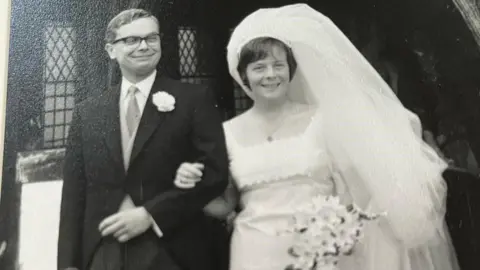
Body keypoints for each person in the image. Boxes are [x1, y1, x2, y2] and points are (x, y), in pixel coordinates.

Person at [173, 4, 460, 270]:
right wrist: (191, 189)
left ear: (290, 70)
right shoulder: (226, 133)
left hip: (320, 253)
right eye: (259, 68)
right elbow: (226, 204)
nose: (270, 75)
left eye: (278, 65)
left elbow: (356, 194)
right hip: (254, 253)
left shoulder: (323, 122)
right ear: (243, 76)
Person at [57, 9, 229, 270]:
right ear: (111, 50)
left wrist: (151, 214)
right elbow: (73, 193)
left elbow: (214, 173)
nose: (144, 46)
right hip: (103, 250)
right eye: (131, 40)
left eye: (151, 38)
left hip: (171, 248)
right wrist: (69, 263)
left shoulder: (194, 99)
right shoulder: (88, 112)